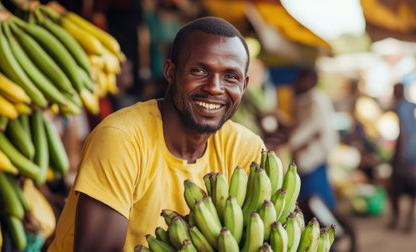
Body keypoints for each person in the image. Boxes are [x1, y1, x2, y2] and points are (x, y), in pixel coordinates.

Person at [48, 16, 265, 251]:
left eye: (230, 77)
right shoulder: (122, 138)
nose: (214, 87)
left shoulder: (246, 149)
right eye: (200, 70)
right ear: (171, 72)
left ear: (244, 85)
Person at [286, 67, 339, 211]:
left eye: (300, 80)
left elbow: (310, 127)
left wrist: (289, 143)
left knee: (316, 198)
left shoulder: (316, 99)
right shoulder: (304, 99)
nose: (296, 83)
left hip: (315, 155)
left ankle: (328, 225)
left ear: (310, 81)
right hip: (308, 156)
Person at [387, 82, 416, 233]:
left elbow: (403, 133)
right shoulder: (412, 106)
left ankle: (397, 220)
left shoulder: (400, 107)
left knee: (395, 188)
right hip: (415, 151)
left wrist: (400, 154)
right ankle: (409, 221)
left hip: (404, 153)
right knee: (413, 186)